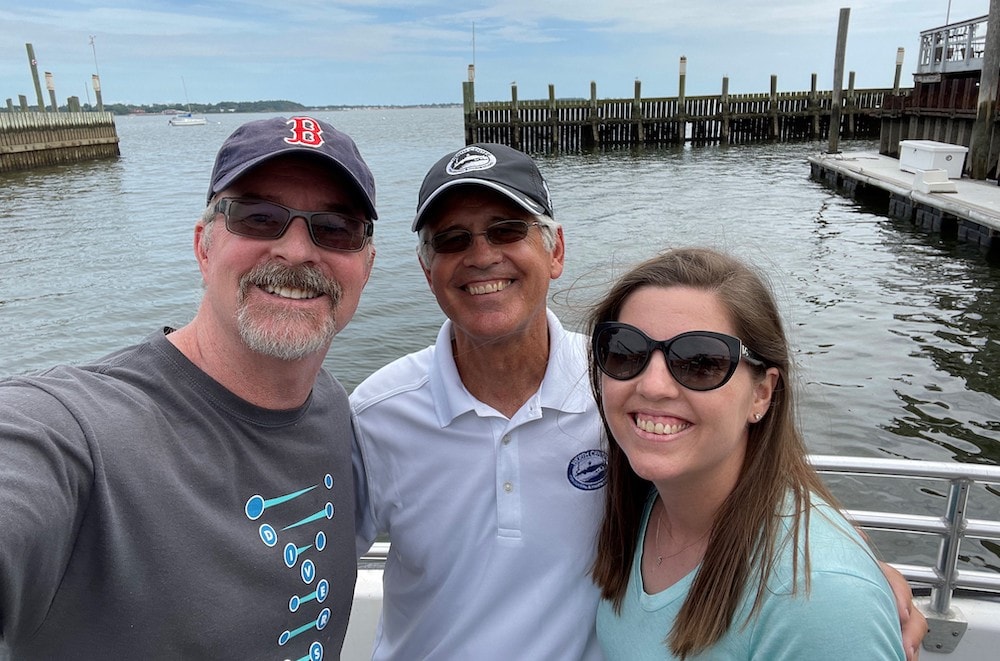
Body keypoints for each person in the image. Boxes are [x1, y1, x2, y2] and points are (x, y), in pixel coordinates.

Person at [351, 145, 925, 660]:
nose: (481, 255)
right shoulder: (378, 414)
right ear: (428, 272)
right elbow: (312, 552)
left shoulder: (617, 391)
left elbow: (750, 469)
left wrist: (856, 577)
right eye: (452, 240)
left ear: (556, 252)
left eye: (507, 230)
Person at [0, 115, 377, 660]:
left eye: (335, 228)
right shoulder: (77, 432)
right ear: (204, 247)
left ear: (365, 265)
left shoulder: (333, 406)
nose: (296, 251)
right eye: (259, 218)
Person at [589, 247, 906, 659]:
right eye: (626, 351)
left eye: (700, 362)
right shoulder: (643, 505)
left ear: (762, 393)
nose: (653, 386)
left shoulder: (821, 595)